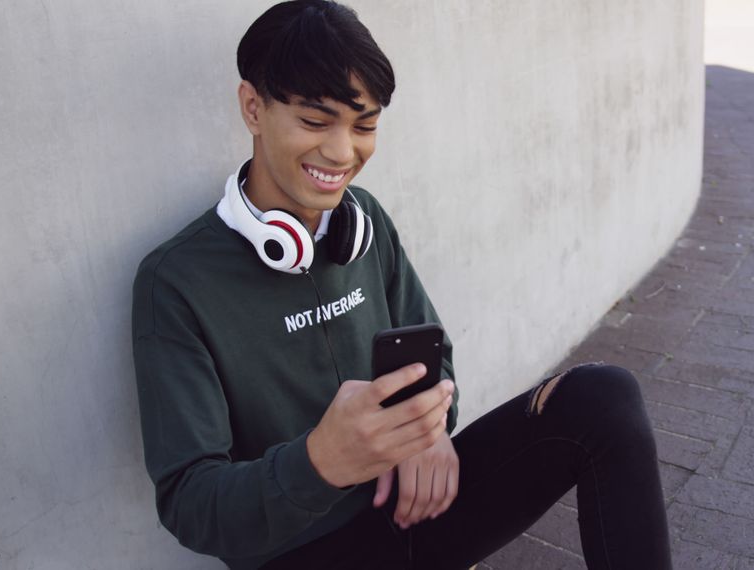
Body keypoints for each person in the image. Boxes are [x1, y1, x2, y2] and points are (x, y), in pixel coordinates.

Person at [131, 1, 672, 568]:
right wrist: (321, 462)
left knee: (602, 398)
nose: (343, 152)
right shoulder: (176, 282)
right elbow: (191, 504)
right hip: (302, 551)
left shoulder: (362, 221)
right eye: (316, 122)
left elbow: (432, 357)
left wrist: (428, 427)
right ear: (253, 107)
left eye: (364, 126)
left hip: (414, 506)